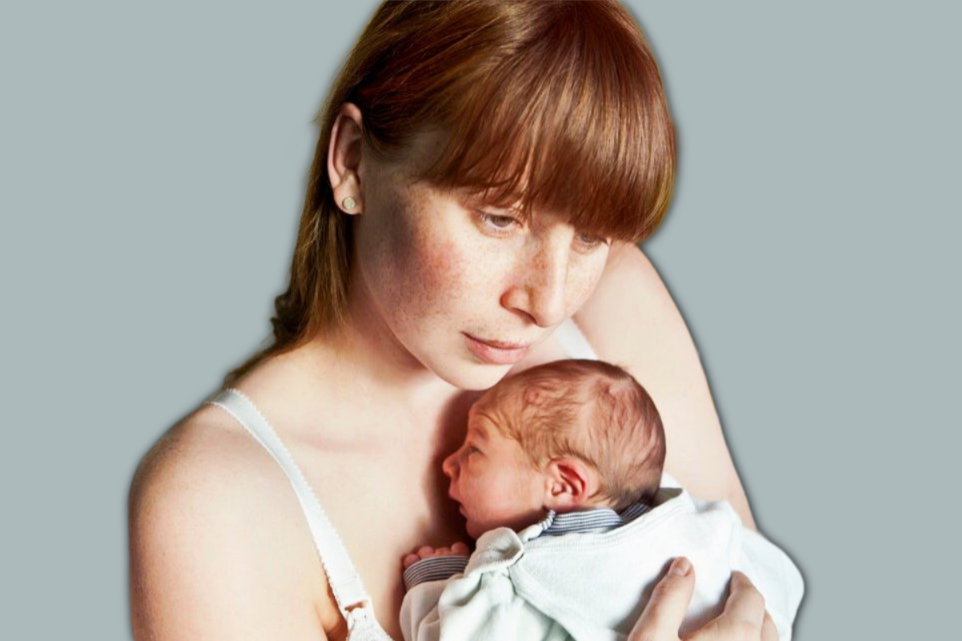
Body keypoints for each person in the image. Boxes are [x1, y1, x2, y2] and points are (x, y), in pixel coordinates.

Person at [128, 2, 792, 640]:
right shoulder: (218, 503)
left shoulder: (614, 303)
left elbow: (753, 590)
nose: (549, 301)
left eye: (590, 235)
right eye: (499, 218)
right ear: (353, 162)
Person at [398, 359, 803, 640]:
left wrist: (437, 584)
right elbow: (778, 577)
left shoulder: (549, 573)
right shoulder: (698, 520)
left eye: (475, 449)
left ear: (563, 485)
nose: (448, 463)